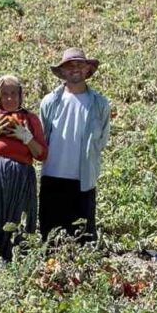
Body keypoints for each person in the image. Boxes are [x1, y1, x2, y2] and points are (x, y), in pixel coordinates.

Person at [0, 75, 48, 260]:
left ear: (20, 95)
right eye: (5, 94)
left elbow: (42, 154)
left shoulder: (30, 119)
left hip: (20, 179)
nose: (10, 98)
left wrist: (26, 137)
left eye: (14, 93)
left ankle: (16, 262)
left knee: (19, 220)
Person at [38, 49, 111, 242]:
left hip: (83, 179)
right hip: (52, 177)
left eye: (80, 64)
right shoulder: (50, 101)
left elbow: (102, 140)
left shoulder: (100, 104)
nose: (75, 69)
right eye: (69, 65)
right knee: (50, 238)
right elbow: (42, 137)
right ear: (62, 71)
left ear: (88, 69)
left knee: (83, 239)